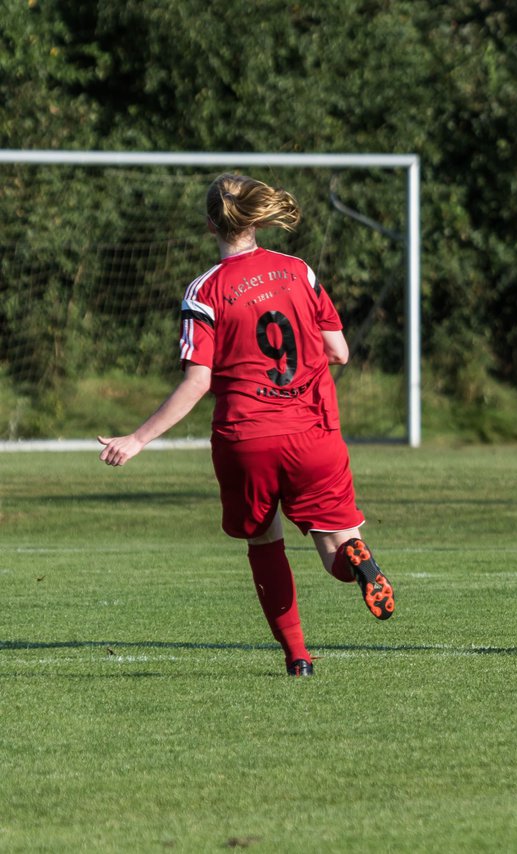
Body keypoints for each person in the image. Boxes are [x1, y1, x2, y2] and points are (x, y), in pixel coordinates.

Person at [98, 173, 395, 677]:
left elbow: (197, 381)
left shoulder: (205, 290)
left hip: (246, 440)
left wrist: (138, 438)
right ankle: (356, 558)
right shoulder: (298, 271)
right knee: (334, 549)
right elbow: (339, 351)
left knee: (264, 542)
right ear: (257, 218)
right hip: (313, 435)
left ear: (210, 222)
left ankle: (298, 657)